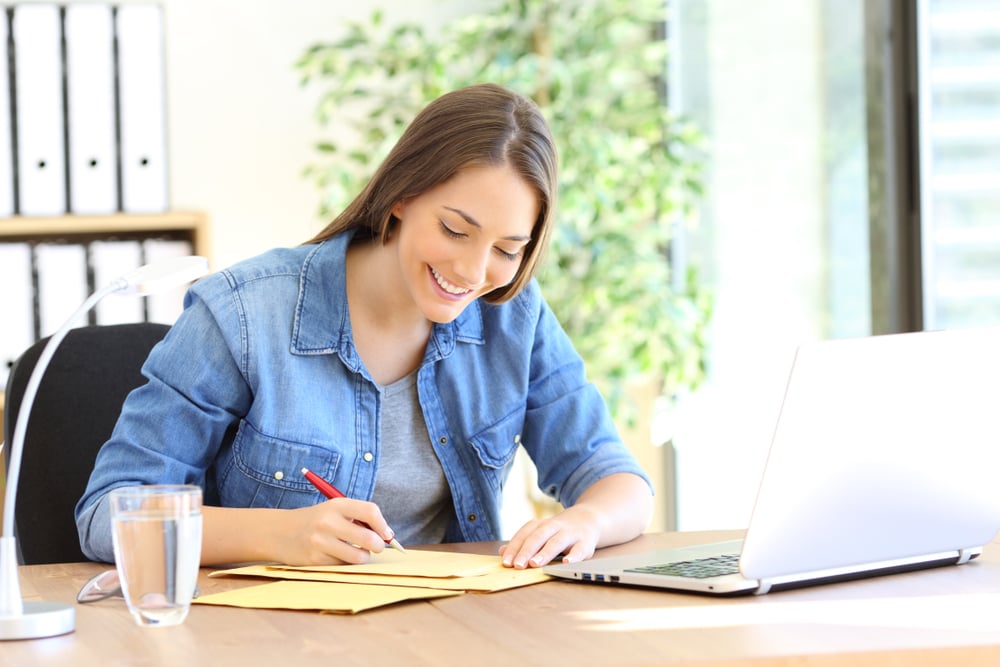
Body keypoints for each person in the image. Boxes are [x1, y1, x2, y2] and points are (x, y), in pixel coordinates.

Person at [76, 83, 654, 569]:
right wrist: (280, 536)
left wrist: (586, 521)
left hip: (446, 634)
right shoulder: (246, 314)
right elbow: (110, 514)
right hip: (273, 641)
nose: (473, 272)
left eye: (507, 248)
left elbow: (615, 479)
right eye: (455, 230)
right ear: (401, 196)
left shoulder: (514, 315)